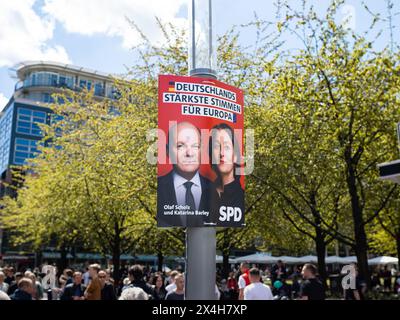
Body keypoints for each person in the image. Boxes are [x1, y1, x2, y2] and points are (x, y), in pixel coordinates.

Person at [158, 121, 212, 227]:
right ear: (168, 151)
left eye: (195, 146)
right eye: (180, 146)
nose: (189, 153)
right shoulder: (158, 188)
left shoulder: (217, 190)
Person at [209, 123, 244, 226]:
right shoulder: (203, 192)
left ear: (236, 155)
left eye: (227, 147)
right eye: (216, 146)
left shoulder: (241, 197)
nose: (221, 153)